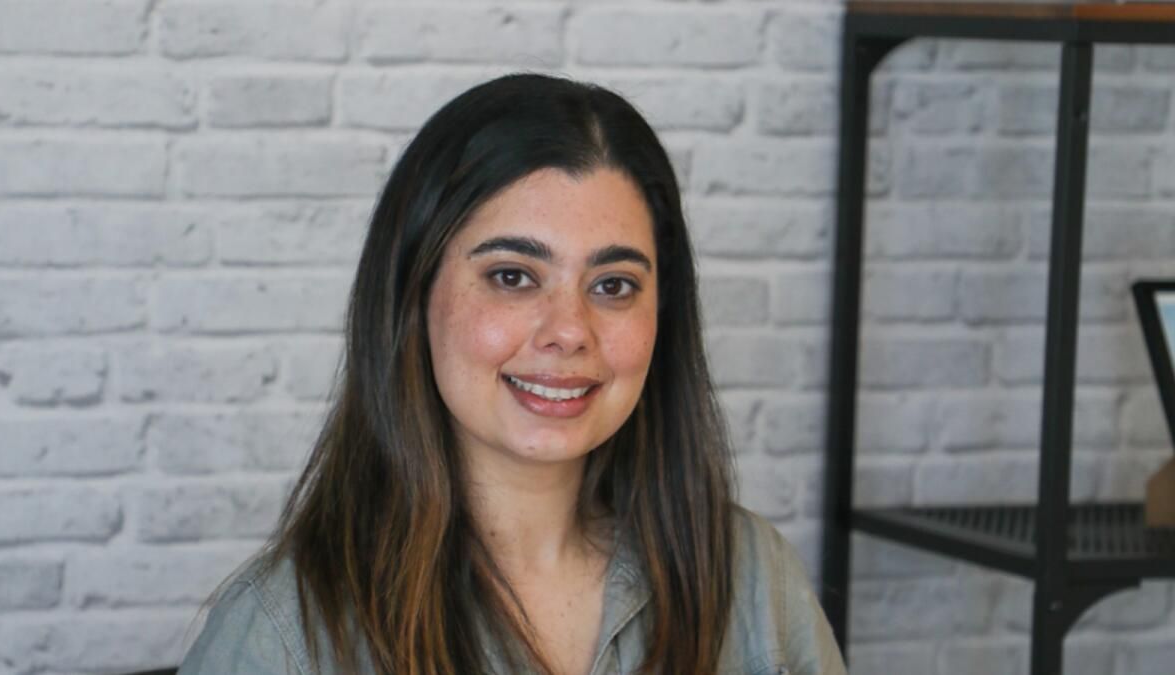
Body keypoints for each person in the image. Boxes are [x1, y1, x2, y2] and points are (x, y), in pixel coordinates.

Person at [177, 73, 845, 675]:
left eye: (613, 285)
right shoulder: (281, 634)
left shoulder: (755, 578)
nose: (569, 330)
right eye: (513, 276)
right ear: (413, 294)